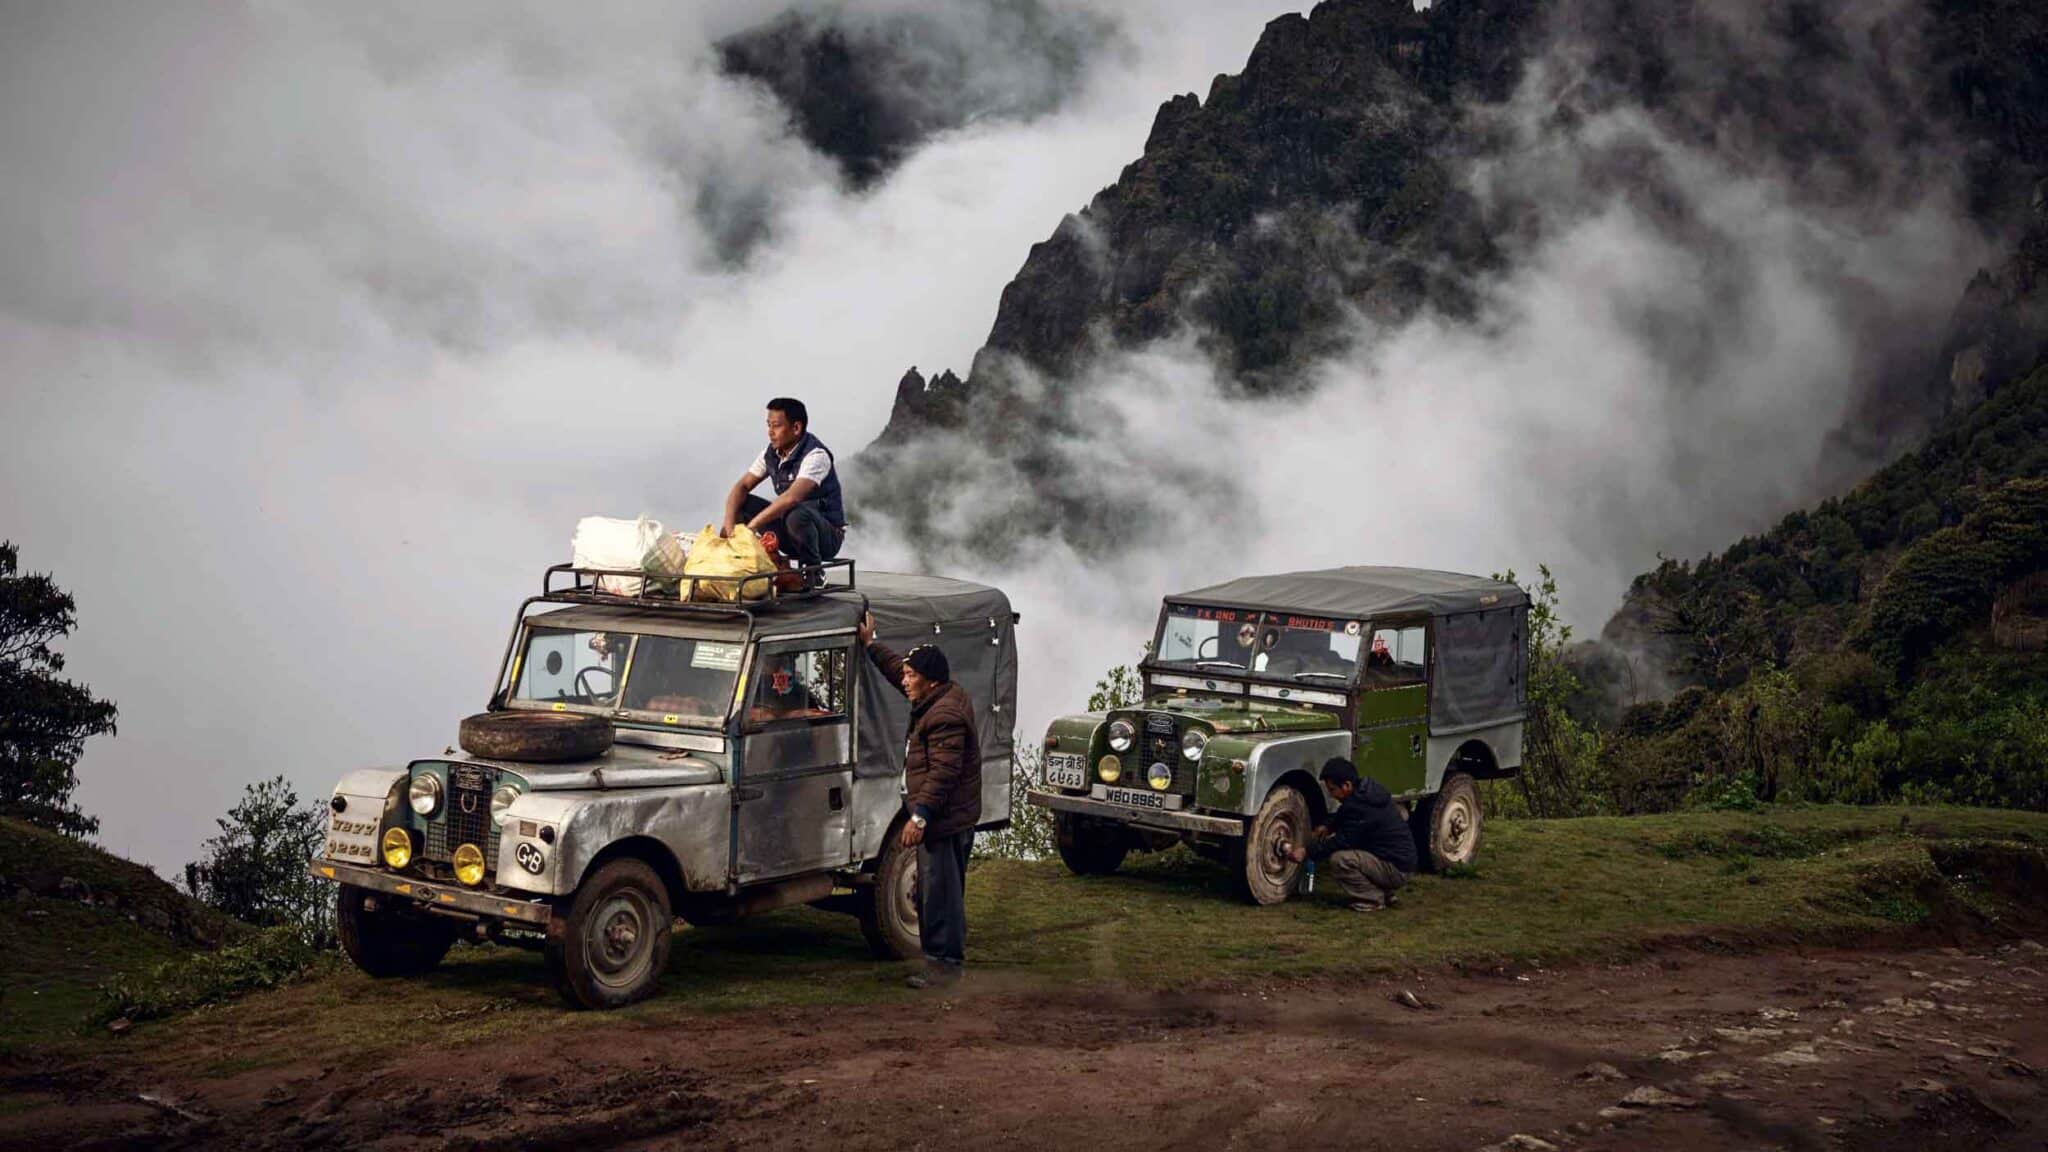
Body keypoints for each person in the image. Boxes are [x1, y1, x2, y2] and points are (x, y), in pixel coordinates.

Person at [857, 611, 980, 988]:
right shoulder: (936, 697)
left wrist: (920, 816)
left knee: (940, 894)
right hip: (947, 817)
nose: (906, 681)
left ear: (930, 681)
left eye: (913, 676)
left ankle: (944, 968)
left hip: (945, 819)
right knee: (935, 890)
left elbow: (943, 775)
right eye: (907, 675)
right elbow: (898, 671)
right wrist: (870, 644)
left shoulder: (945, 716)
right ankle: (942, 961)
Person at [720, 397, 846, 572]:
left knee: (797, 514)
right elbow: (741, 486)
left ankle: (814, 572)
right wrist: (729, 527)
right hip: (790, 531)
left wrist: (753, 526)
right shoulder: (771, 454)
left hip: (825, 537)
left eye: (776, 426)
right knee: (741, 504)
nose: (770, 432)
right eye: (768, 425)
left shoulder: (816, 455)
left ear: (796, 428)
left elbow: (792, 498)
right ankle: (737, 563)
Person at [1287, 758, 1417, 912]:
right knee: (1358, 852)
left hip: (1396, 868)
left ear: (1347, 785)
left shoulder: (1361, 807)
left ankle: (1372, 899)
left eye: (1333, 789)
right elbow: (1345, 814)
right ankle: (1385, 892)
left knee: (1341, 860)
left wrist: (1306, 851)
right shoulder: (1365, 794)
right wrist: (1327, 826)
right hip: (1400, 861)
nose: (1331, 794)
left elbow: (1341, 841)